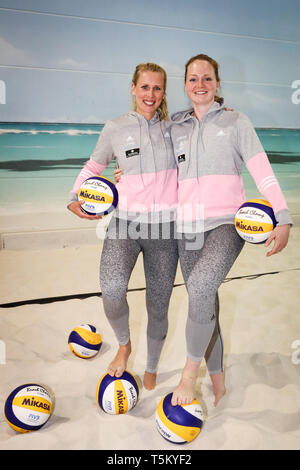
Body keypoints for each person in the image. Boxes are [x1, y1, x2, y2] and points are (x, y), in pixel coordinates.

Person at [169, 53, 292, 407]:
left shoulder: (237, 122)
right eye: (193, 79)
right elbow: (155, 171)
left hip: (227, 223)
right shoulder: (176, 126)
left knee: (202, 285)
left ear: (218, 83)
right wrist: (126, 176)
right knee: (203, 304)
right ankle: (218, 382)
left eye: (207, 78)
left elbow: (261, 169)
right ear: (185, 85)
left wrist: (282, 216)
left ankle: (189, 375)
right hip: (186, 228)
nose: (200, 85)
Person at [68, 63, 179, 391]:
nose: (150, 95)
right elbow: (95, 165)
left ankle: (153, 364)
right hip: (125, 224)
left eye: (157, 88)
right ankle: (124, 345)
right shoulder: (115, 127)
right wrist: (75, 196)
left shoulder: (177, 128)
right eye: (145, 87)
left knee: (158, 304)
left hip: (165, 230)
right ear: (133, 88)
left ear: (164, 92)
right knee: (112, 290)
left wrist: (220, 105)